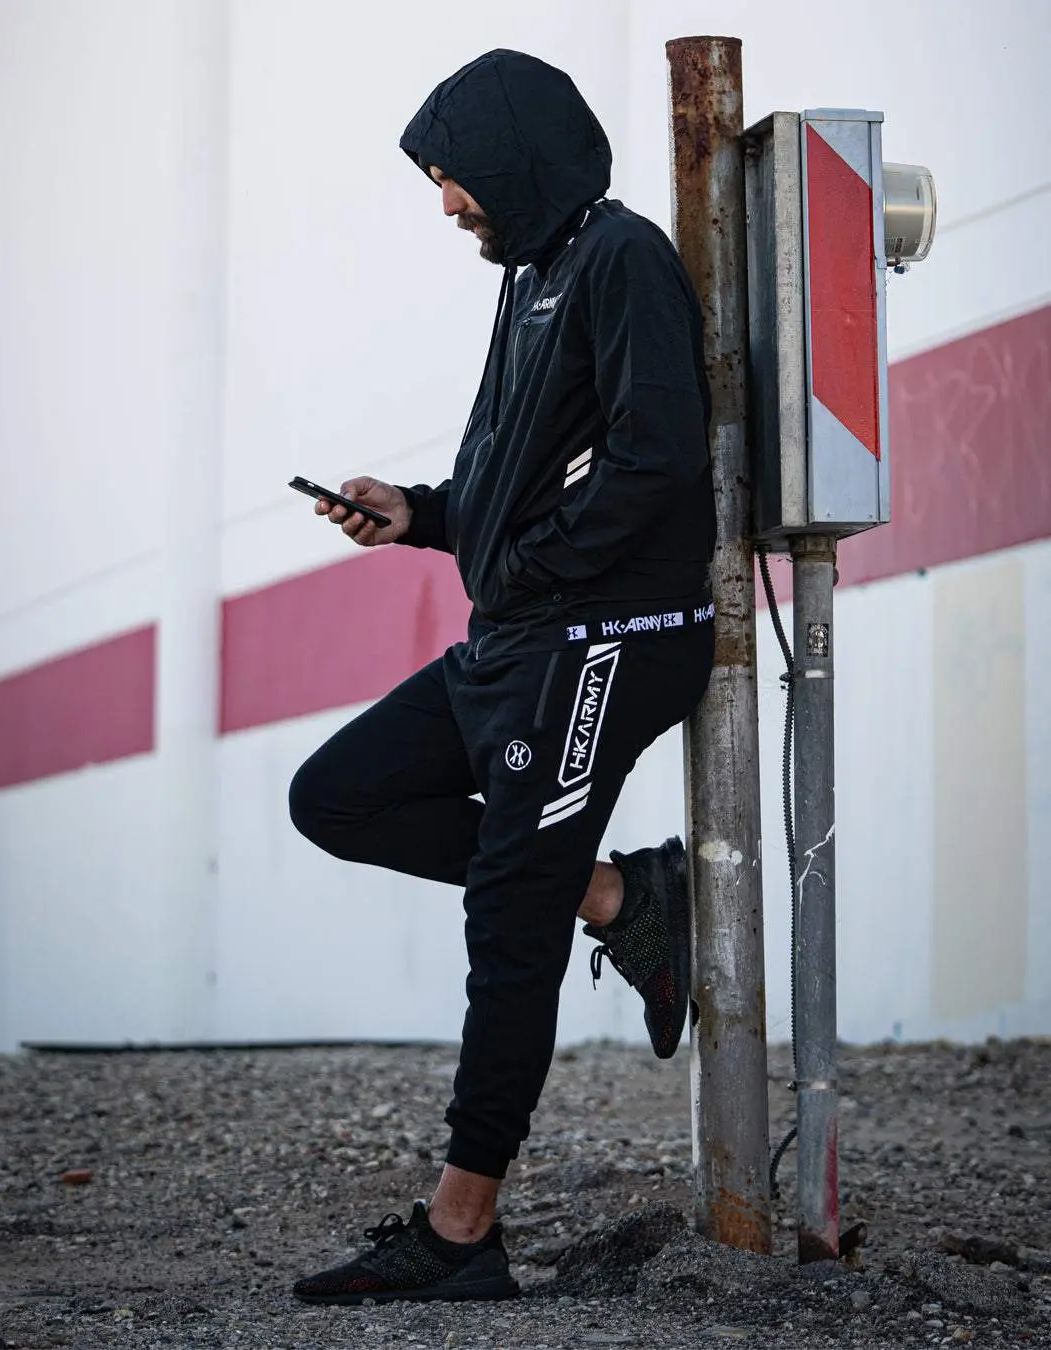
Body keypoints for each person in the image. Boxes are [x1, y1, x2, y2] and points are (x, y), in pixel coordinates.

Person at [288, 49, 716, 1306]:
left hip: (608, 636)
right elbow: (515, 477)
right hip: (525, 634)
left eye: (453, 175)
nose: (447, 203)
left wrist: (532, 565)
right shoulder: (536, 274)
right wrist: (419, 512)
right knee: (337, 795)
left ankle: (461, 1234)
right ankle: (617, 893)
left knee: (507, 919)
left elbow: (659, 462)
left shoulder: (622, 257)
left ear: (513, 158)